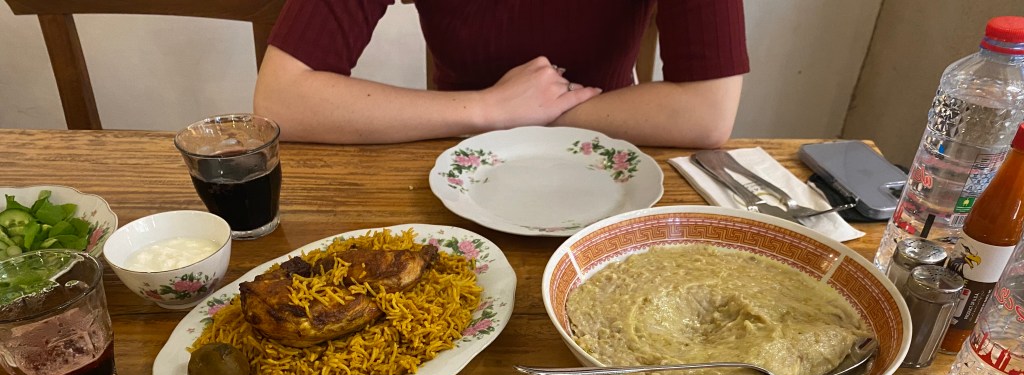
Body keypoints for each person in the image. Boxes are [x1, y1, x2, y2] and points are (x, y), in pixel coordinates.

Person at [254, 0, 749, 147]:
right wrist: (488, 108)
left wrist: (523, 113)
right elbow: (282, 99)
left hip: (616, 159)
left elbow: (706, 112)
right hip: (452, 163)